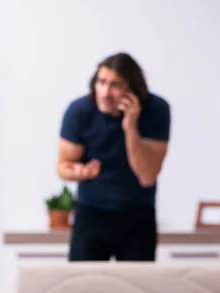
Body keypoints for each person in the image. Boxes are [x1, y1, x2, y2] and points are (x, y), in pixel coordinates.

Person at [57, 52, 171, 262]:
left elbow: (147, 176)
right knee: (83, 289)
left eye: (116, 85)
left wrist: (130, 128)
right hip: (91, 214)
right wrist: (80, 172)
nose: (105, 93)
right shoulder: (80, 111)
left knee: (137, 289)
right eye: (101, 82)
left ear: (133, 90)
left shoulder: (156, 110)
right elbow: (63, 167)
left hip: (138, 216)